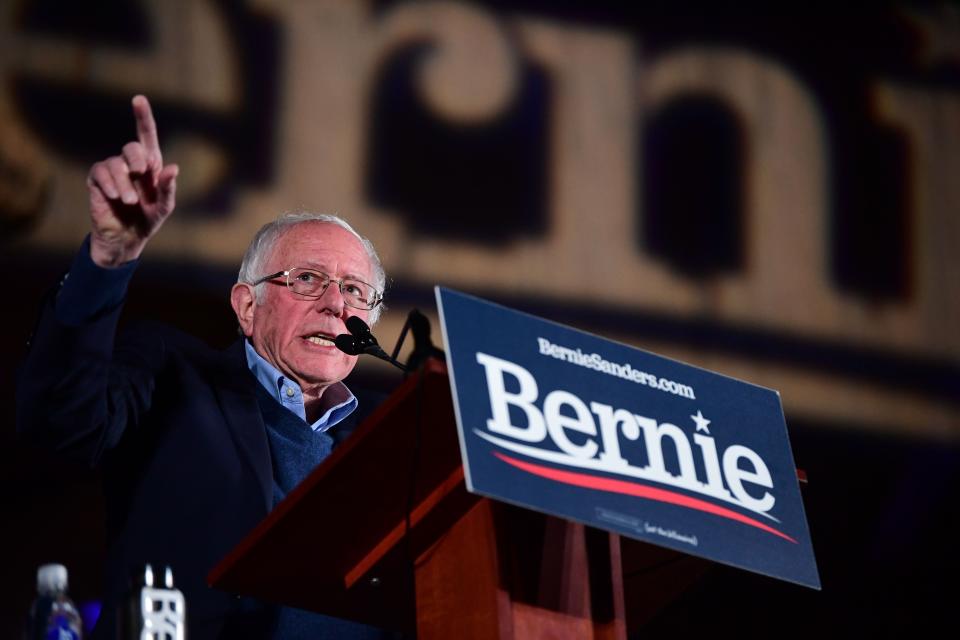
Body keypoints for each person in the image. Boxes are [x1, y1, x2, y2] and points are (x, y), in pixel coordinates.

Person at [16, 96, 398, 639]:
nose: (337, 303)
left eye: (356, 290)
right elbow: (58, 420)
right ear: (246, 306)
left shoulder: (394, 434)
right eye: (307, 280)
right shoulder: (174, 376)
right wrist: (108, 260)